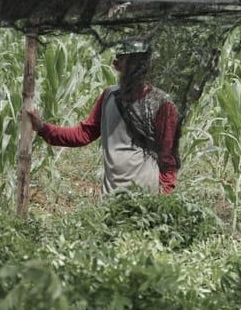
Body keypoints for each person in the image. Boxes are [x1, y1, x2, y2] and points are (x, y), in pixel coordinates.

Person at [27, 40, 180, 195]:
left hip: (147, 199)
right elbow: (83, 134)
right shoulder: (109, 97)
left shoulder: (161, 104)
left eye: (141, 62)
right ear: (117, 64)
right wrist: (42, 128)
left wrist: (164, 197)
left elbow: (168, 157)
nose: (138, 68)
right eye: (131, 62)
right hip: (111, 197)